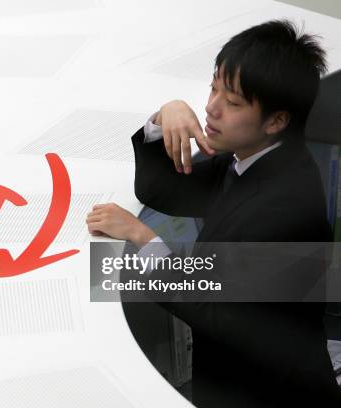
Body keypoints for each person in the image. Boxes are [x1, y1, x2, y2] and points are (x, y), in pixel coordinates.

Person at [86, 20, 341, 407]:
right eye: (213, 87)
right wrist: (164, 118)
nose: (211, 107)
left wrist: (145, 239)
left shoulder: (287, 204)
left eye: (233, 102)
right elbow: (162, 190)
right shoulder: (254, 158)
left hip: (267, 391)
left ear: (277, 120)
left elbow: (215, 314)